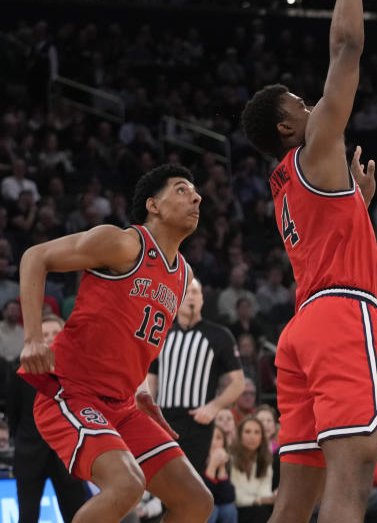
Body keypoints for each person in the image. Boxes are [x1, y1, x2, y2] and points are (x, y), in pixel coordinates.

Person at [239, 0, 377, 523]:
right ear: (287, 125)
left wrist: (360, 204)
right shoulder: (316, 148)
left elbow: (331, 231)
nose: (314, 105)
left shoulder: (285, 182)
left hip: (302, 329)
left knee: (294, 500)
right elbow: (349, 47)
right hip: (340, 319)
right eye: (302, 103)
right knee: (351, 481)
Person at [17, 163, 213, 523]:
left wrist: (140, 392)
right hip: (71, 392)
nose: (196, 196)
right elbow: (35, 257)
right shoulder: (124, 243)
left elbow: (131, 337)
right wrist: (32, 338)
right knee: (126, 486)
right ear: (153, 205)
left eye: (195, 191)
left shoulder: (183, 276)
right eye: (182, 189)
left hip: (122, 405)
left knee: (196, 501)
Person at [148, 276, 244, 475]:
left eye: (195, 292)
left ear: (202, 299)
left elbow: (238, 383)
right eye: (186, 292)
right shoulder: (162, 333)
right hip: (163, 421)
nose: (191, 297)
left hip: (197, 422)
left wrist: (214, 407)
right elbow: (152, 379)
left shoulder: (219, 335)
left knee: (190, 484)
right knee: (163, 483)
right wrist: (149, 412)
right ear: (176, 298)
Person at [8, 313, 88, 523]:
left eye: (55, 333)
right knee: (27, 517)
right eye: (45, 334)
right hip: (29, 456)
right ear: (37, 338)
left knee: (78, 516)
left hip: (69, 458)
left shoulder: (80, 371)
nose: (51, 338)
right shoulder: (20, 371)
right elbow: (13, 413)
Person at [230, 416, 275, 523]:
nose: (252, 437)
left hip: (257, 509)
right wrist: (258, 500)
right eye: (247, 431)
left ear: (262, 437)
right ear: (239, 435)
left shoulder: (265, 459)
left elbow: (265, 491)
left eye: (257, 432)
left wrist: (266, 499)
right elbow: (235, 496)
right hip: (237, 509)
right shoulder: (229, 458)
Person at [204, 425, 238, 523]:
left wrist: (221, 467)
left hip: (218, 506)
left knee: (229, 510)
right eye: (210, 437)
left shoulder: (227, 460)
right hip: (196, 506)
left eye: (218, 438)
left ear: (224, 442)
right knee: (211, 510)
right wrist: (212, 466)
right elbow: (202, 498)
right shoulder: (196, 459)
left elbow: (228, 497)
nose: (214, 442)